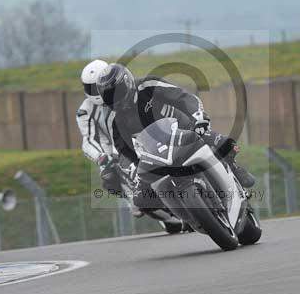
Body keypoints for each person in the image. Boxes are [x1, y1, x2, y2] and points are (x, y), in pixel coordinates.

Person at [96, 63, 255, 210]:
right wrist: (138, 166)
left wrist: (198, 118)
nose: (115, 99)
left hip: (185, 129)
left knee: (223, 144)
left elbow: (183, 97)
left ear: (127, 83)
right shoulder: (113, 117)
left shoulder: (148, 85)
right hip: (155, 152)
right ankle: (180, 209)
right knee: (141, 199)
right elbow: (123, 148)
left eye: (116, 93)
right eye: (109, 96)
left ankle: (233, 166)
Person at [76, 59, 137, 211]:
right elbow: (88, 139)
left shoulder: (125, 91)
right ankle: (133, 199)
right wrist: (101, 157)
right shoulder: (85, 110)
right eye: (90, 87)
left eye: (96, 86)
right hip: (113, 150)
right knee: (109, 179)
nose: (94, 91)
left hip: (137, 138)